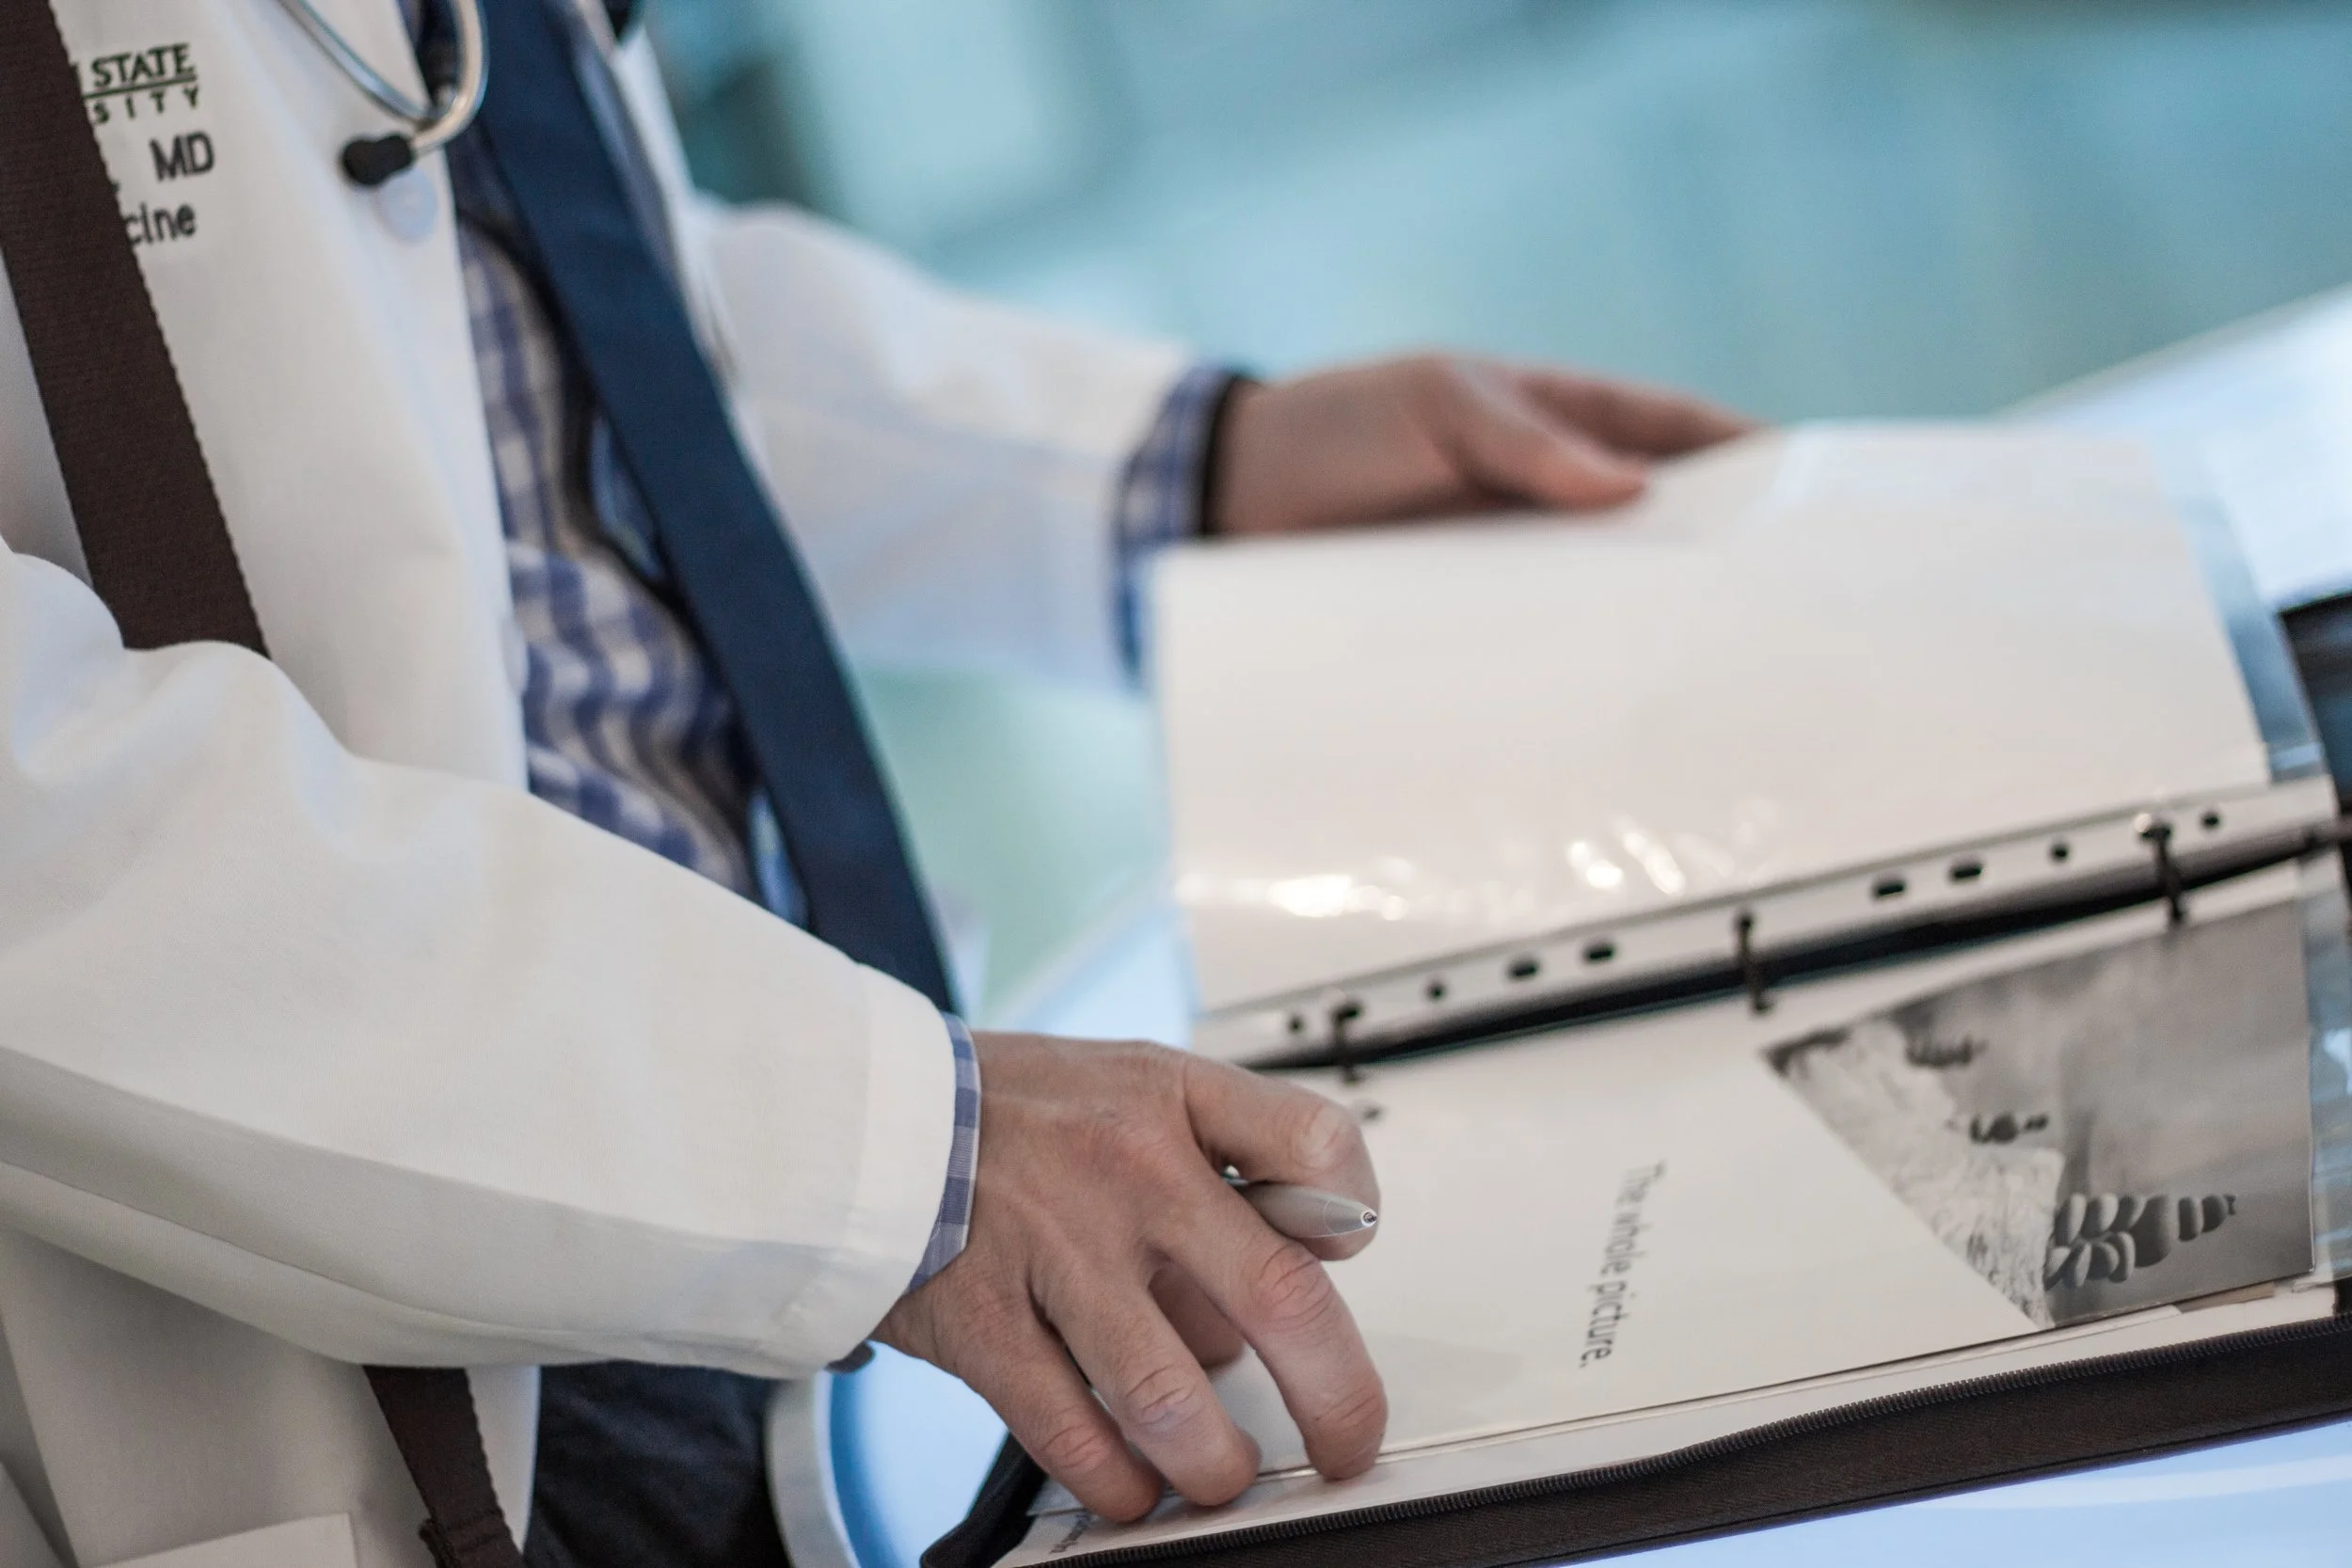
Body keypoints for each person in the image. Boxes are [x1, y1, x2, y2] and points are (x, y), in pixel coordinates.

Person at [0, 0, 1749, 1563]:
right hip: (366, 1367)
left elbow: (519, 276)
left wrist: (1187, 461)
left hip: (774, 1230)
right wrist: (888, 1154)